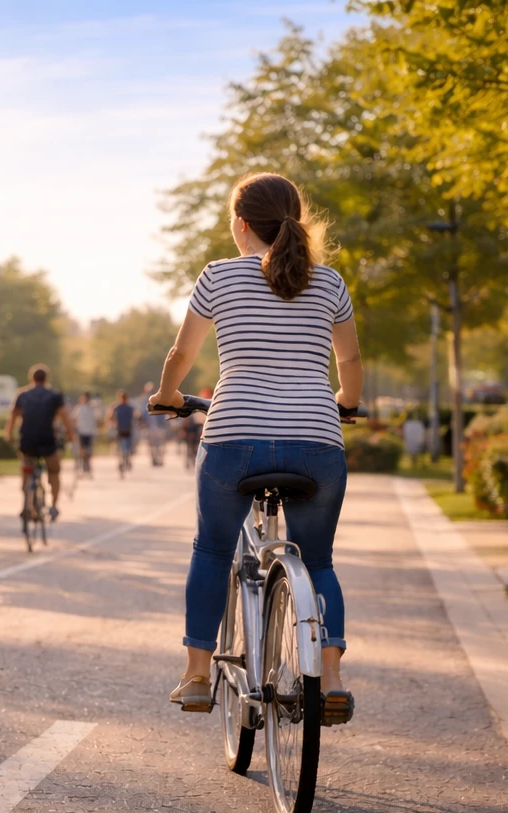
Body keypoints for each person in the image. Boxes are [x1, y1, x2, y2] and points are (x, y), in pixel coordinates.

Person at [150, 171, 362, 712]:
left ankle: (198, 674)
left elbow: (181, 355)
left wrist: (167, 393)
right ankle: (332, 680)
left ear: (241, 225)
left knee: (212, 550)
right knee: (318, 562)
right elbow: (351, 362)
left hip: (234, 439)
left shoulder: (218, 277)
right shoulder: (330, 282)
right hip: (317, 440)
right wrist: (346, 402)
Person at [6, 364, 73, 519]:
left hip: (27, 440)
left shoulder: (22, 395)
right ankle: (54, 506)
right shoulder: (55, 395)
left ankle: (26, 503)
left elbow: (12, 416)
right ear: (46, 378)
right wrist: (71, 435)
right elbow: (65, 418)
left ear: (31, 378)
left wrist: (9, 435)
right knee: (54, 471)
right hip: (47, 440)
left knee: (26, 468)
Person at [72, 391, 98, 474]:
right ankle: (84, 463)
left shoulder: (93, 407)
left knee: (89, 450)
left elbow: (98, 417)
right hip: (81, 431)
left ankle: (87, 463)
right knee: (82, 449)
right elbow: (73, 418)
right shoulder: (79, 407)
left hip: (90, 431)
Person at [108, 390, 136, 466]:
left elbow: (110, 417)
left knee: (125, 445)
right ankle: (124, 459)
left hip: (125, 429)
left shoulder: (119, 407)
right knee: (123, 445)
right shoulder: (128, 407)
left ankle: (126, 459)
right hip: (122, 429)